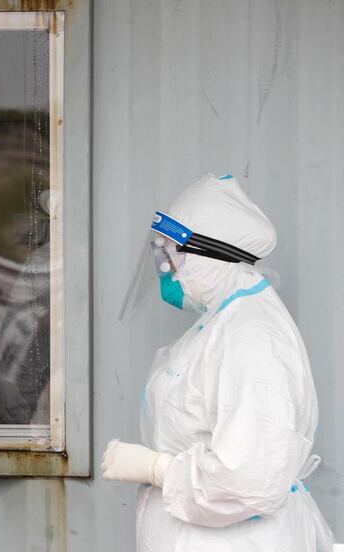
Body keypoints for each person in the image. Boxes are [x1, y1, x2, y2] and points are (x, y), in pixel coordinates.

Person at [104, 173, 334, 551]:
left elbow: (252, 479)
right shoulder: (221, 322)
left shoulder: (253, 337)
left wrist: (157, 469)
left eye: (172, 255)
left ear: (210, 257)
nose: (166, 269)